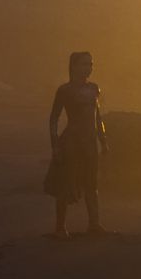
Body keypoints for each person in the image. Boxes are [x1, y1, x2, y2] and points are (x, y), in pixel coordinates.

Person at [46, 52, 110, 238]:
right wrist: (55, 145)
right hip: (71, 142)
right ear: (73, 66)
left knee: (91, 182)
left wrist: (103, 141)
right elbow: (54, 118)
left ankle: (94, 223)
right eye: (84, 64)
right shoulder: (65, 90)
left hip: (89, 142)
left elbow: (98, 118)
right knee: (66, 182)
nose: (88, 68)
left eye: (90, 64)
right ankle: (60, 227)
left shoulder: (94, 89)